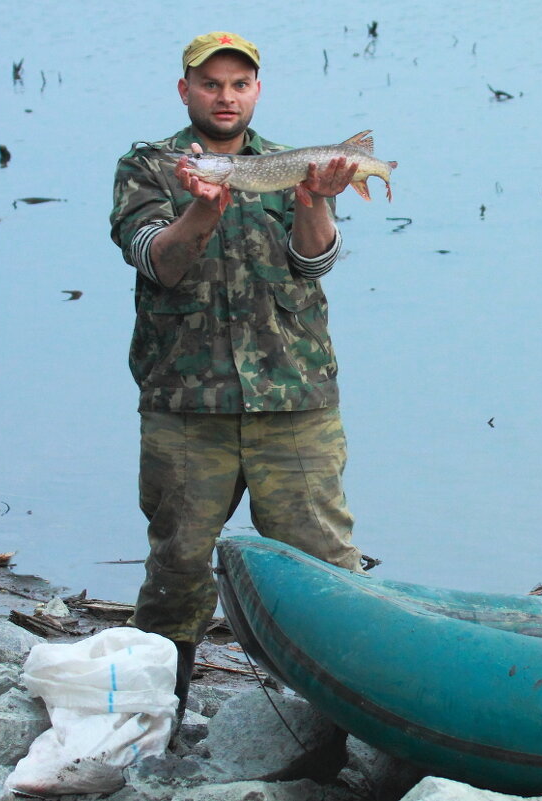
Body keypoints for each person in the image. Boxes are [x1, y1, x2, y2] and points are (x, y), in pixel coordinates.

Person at [109, 31, 367, 719]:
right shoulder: (149, 167)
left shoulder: (283, 165)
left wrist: (314, 197)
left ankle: (339, 727)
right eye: (210, 83)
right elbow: (158, 261)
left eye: (238, 84)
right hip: (186, 408)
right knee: (177, 572)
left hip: (296, 400)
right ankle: (151, 728)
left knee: (324, 571)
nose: (225, 97)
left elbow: (313, 263)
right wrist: (203, 205)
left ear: (256, 91)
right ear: (185, 90)